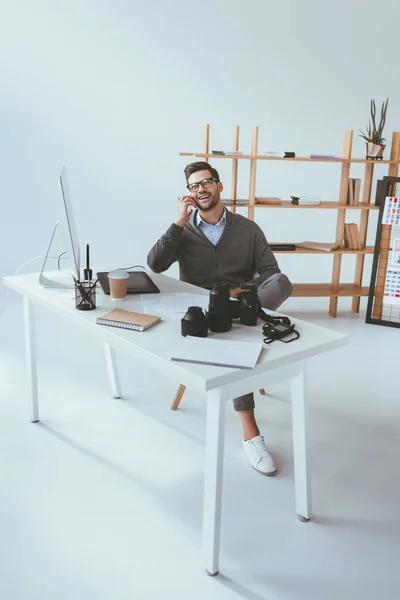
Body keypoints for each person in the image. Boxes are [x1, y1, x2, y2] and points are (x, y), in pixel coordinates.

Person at [147, 161, 292, 475]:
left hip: (240, 306)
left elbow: (271, 274)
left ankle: (242, 323)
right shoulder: (182, 230)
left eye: (207, 182)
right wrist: (177, 223)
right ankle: (250, 433)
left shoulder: (248, 229)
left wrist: (242, 291)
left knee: (281, 284)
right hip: (201, 315)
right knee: (233, 343)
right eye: (194, 186)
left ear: (220, 186)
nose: (201, 189)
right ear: (189, 193)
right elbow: (155, 265)